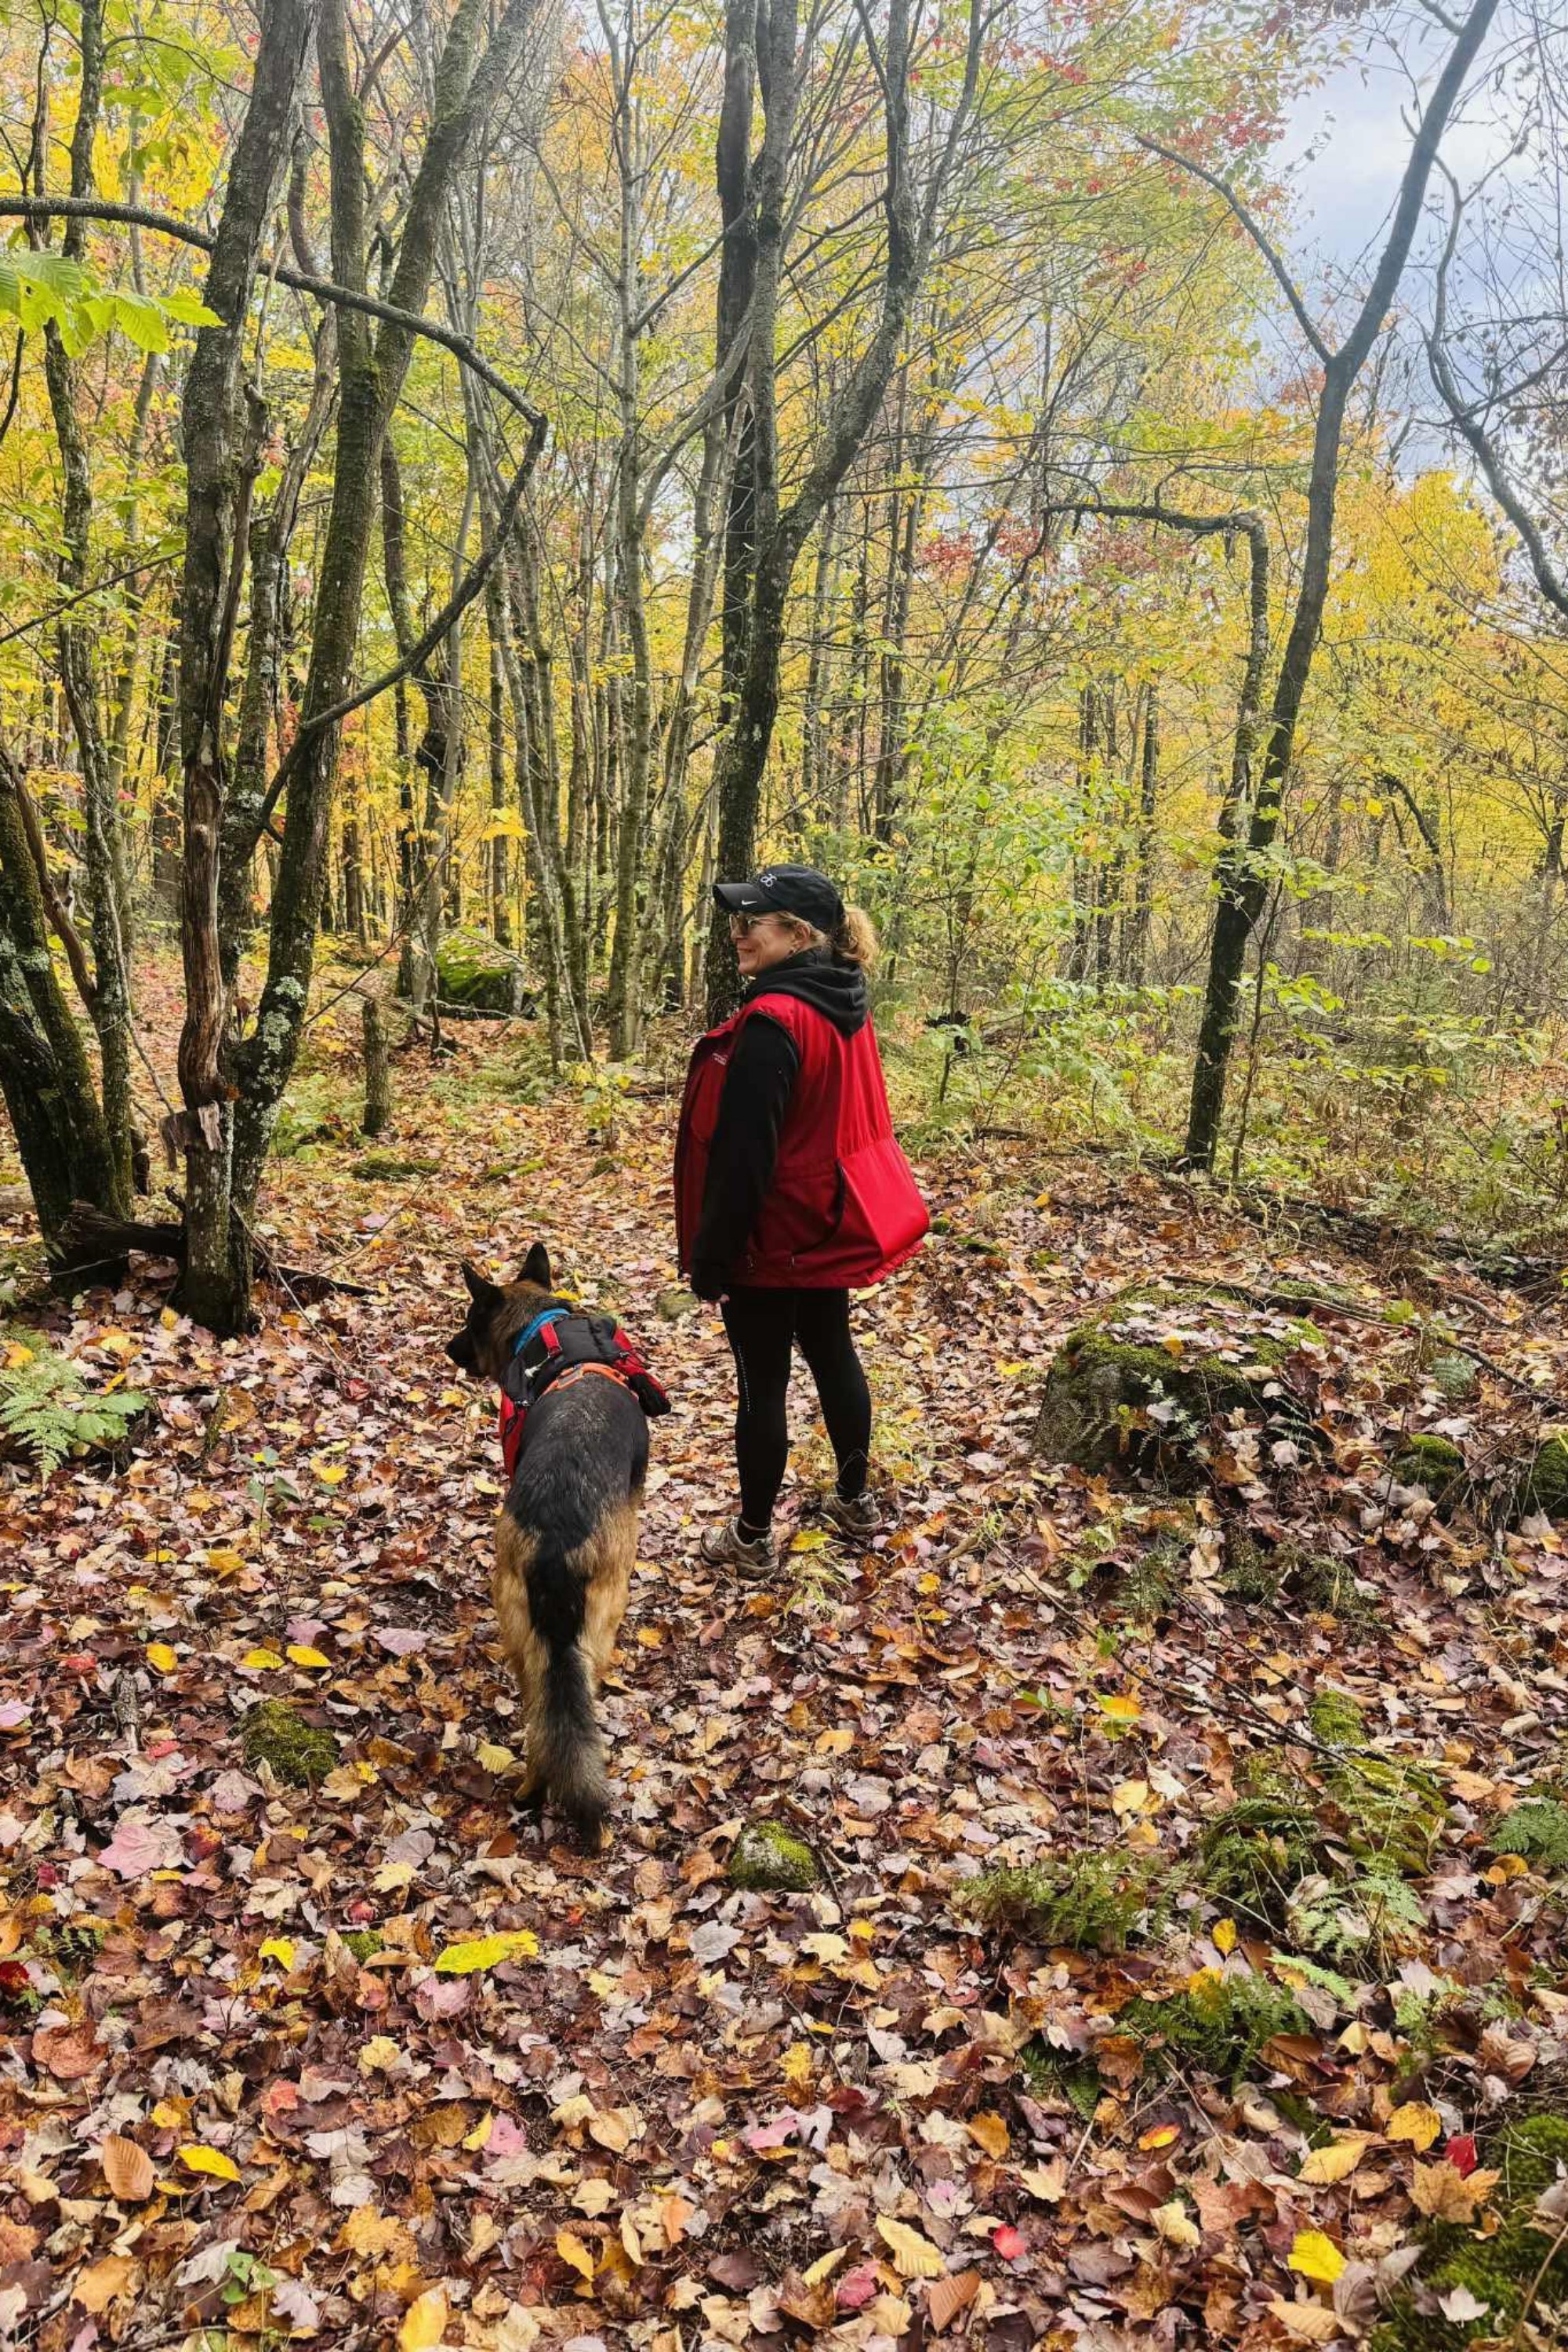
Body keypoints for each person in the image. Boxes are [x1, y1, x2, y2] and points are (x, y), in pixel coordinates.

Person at [673, 864, 929, 1570]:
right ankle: (853, 1498)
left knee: (763, 1385)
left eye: (750, 923)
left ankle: (752, 1540)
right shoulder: (844, 1000)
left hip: (771, 1236)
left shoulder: (774, 1020)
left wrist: (713, 1257)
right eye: (736, 921)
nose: (736, 935)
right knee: (832, 1352)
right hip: (826, 1222)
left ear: (796, 934)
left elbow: (744, 1157)